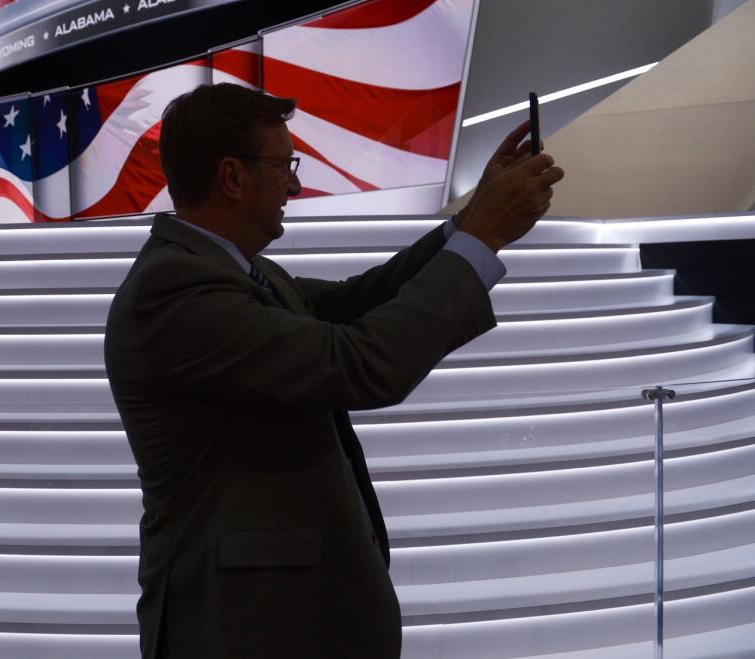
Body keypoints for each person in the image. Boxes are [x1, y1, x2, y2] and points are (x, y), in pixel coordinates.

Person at [103, 83, 564, 658]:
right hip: (247, 627)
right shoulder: (176, 290)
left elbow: (356, 302)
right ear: (233, 177)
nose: (295, 184)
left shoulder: (232, 271)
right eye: (284, 164)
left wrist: (468, 221)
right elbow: (357, 365)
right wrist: (481, 237)